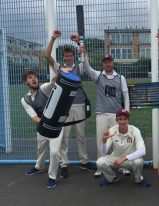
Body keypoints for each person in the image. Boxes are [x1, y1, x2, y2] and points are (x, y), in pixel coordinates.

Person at [45, 30, 94, 179]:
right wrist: (53, 38)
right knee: (64, 138)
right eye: (65, 56)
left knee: (81, 135)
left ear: (73, 56)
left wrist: (79, 43)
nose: (67, 58)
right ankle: (64, 164)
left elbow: (85, 57)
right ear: (63, 57)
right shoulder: (60, 68)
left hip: (78, 105)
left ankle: (84, 162)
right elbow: (47, 56)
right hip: (64, 107)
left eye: (70, 55)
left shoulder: (79, 67)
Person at [81, 46, 130, 177]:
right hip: (102, 114)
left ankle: (122, 165)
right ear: (103, 64)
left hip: (117, 115)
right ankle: (100, 166)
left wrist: (126, 112)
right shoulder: (98, 76)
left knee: (119, 141)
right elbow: (87, 68)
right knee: (101, 141)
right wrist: (83, 53)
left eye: (109, 62)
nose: (108, 64)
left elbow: (126, 95)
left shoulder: (120, 78)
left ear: (113, 63)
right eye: (105, 62)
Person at [22, 70, 63, 189]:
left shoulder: (44, 88)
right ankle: (39, 167)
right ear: (26, 83)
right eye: (30, 78)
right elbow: (34, 117)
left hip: (56, 127)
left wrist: (60, 73)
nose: (34, 79)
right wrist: (45, 123)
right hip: (42, 128)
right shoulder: (25, 100)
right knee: (40, 150)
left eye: (35, 77)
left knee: (54, 153)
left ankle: (52, 177)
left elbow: (52, 82)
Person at [96, 109, 150, 187]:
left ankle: (138, 178)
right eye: (120, 119)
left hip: (130, 160)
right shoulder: (112, 130)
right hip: (116, 160)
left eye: (125, 119)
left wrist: (124, 158)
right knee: (100, 162)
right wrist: (104, 141)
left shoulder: (135, 130)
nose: (122, 121)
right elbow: (103, 152)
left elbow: (142, 151)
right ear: (116, 120)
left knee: (139, 162)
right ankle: (112, 178)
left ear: (128, 120)